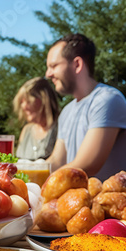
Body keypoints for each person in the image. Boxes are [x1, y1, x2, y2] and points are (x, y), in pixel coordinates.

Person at [45, 33, 126, 181]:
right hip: (74, 203)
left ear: (77, 64)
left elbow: (86, 165)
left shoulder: (107, 99)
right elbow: (56, 160)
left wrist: (41, 184)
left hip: (108, 203)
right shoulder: (67, 111)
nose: (48, 74)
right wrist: (22, 171)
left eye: (54, 66)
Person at [13, 77, 60, 160]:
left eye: (27, 101)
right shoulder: (27, 130)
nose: (23, 107)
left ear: (43, 99)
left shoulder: (60, 127)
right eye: (21, 102)